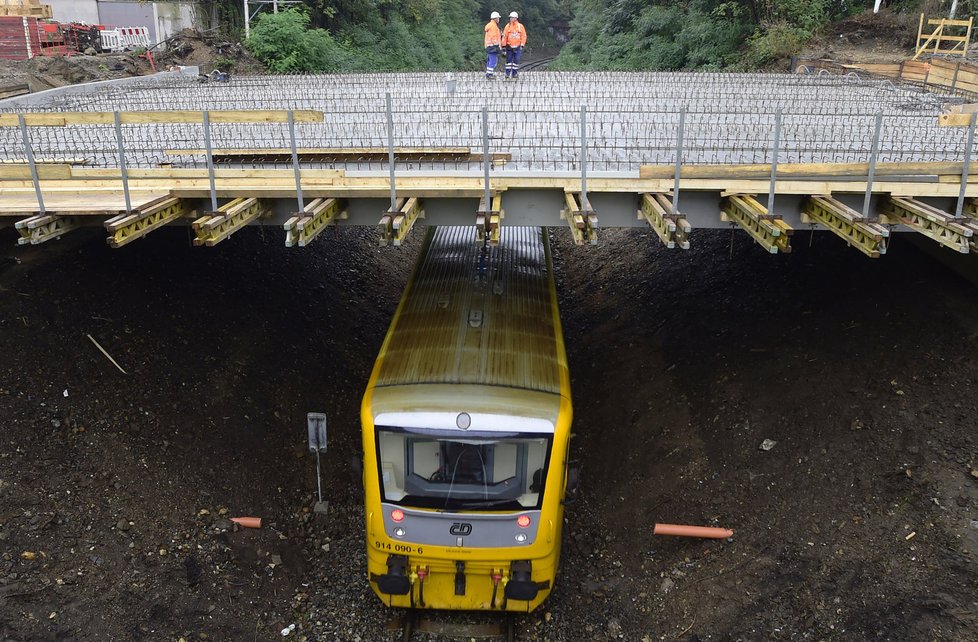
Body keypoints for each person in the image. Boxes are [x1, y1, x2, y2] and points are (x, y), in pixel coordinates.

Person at [501, 11, 527, 80]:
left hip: (518, 47)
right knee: (508, 61)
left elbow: (524, 36)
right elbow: (504, 36)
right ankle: (507, 74)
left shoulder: (520, 26)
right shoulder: (508, 26)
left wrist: (522, 45)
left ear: (516, 18)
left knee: (516, 61)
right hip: (509, 47)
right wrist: (503, 46)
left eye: (512, 17)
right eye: (510, 17)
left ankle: (514, 73)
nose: (511, 19)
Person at [484, 11, 502, 79]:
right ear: (495, 18)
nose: (499, 19)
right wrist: (497, 46)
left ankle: (488, 73)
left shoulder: (490, 25)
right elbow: (494, 37)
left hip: (488, 46)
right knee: (493, 60)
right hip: (493, 46)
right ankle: (490, 74)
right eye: (498, 18)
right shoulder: (494, 26)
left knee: (489, 60)